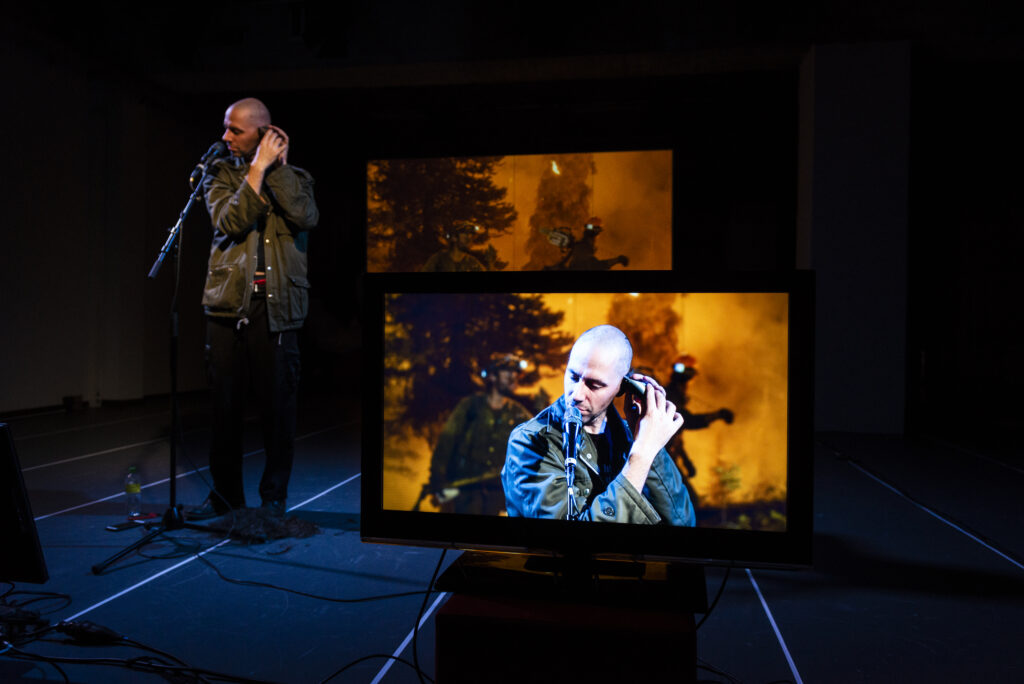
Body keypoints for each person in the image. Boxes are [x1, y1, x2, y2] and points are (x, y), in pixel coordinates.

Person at [189, 97, 319, 520]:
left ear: (263, 134)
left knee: (277, 412)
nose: (225, 137)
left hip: (276, 310)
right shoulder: (219, 175)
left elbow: (305, 216)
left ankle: (274, 499)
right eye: (226, 128)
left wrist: (272, 169)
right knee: (224, 411)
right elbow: (229, 221)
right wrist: (255, 172)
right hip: (228, 308)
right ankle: (226, 497)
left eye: (236, 130)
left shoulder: (296, 179)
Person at [502, 325, 694, 524]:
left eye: (594, 385)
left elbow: (683, 522)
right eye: (573, 377)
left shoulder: (634, 439)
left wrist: (646, 443)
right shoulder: (530, 441)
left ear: (622, 386)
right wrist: (640, 457)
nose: (576, 395)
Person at [422, 354, 533, 515]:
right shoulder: (470, 407)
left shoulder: (518, 414)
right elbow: (445, 444)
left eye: (516, 373)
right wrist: (438, 482)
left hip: (496, 496)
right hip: (464, 492)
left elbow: (538, 443)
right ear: (493, 377)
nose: (513, 377)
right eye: (507, 372)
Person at [663, 355, 735, 506]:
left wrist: (686, 461)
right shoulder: (670, 396)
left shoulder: (671, 394)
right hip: (660, 460)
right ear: (690, 378)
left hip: (664, 459)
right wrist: (718, 415)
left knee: (683, 503)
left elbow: (674, 435)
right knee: (689, 502)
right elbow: (687, 421)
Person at [420, 221, 486, 272]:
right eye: (465, 235)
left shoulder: (473, 264)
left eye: (471, 235)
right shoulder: (438, 260)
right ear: (454, 238)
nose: (469, 238)